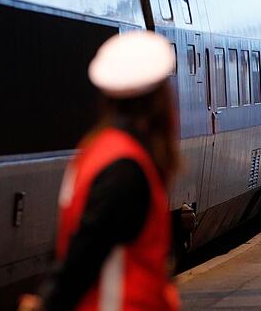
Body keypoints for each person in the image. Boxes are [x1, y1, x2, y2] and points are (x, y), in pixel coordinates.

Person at [19, 31, 181, 311]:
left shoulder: (96, 151)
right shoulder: (125, 167)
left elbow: (68, 244)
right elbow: (84, 253)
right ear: (159, 97)